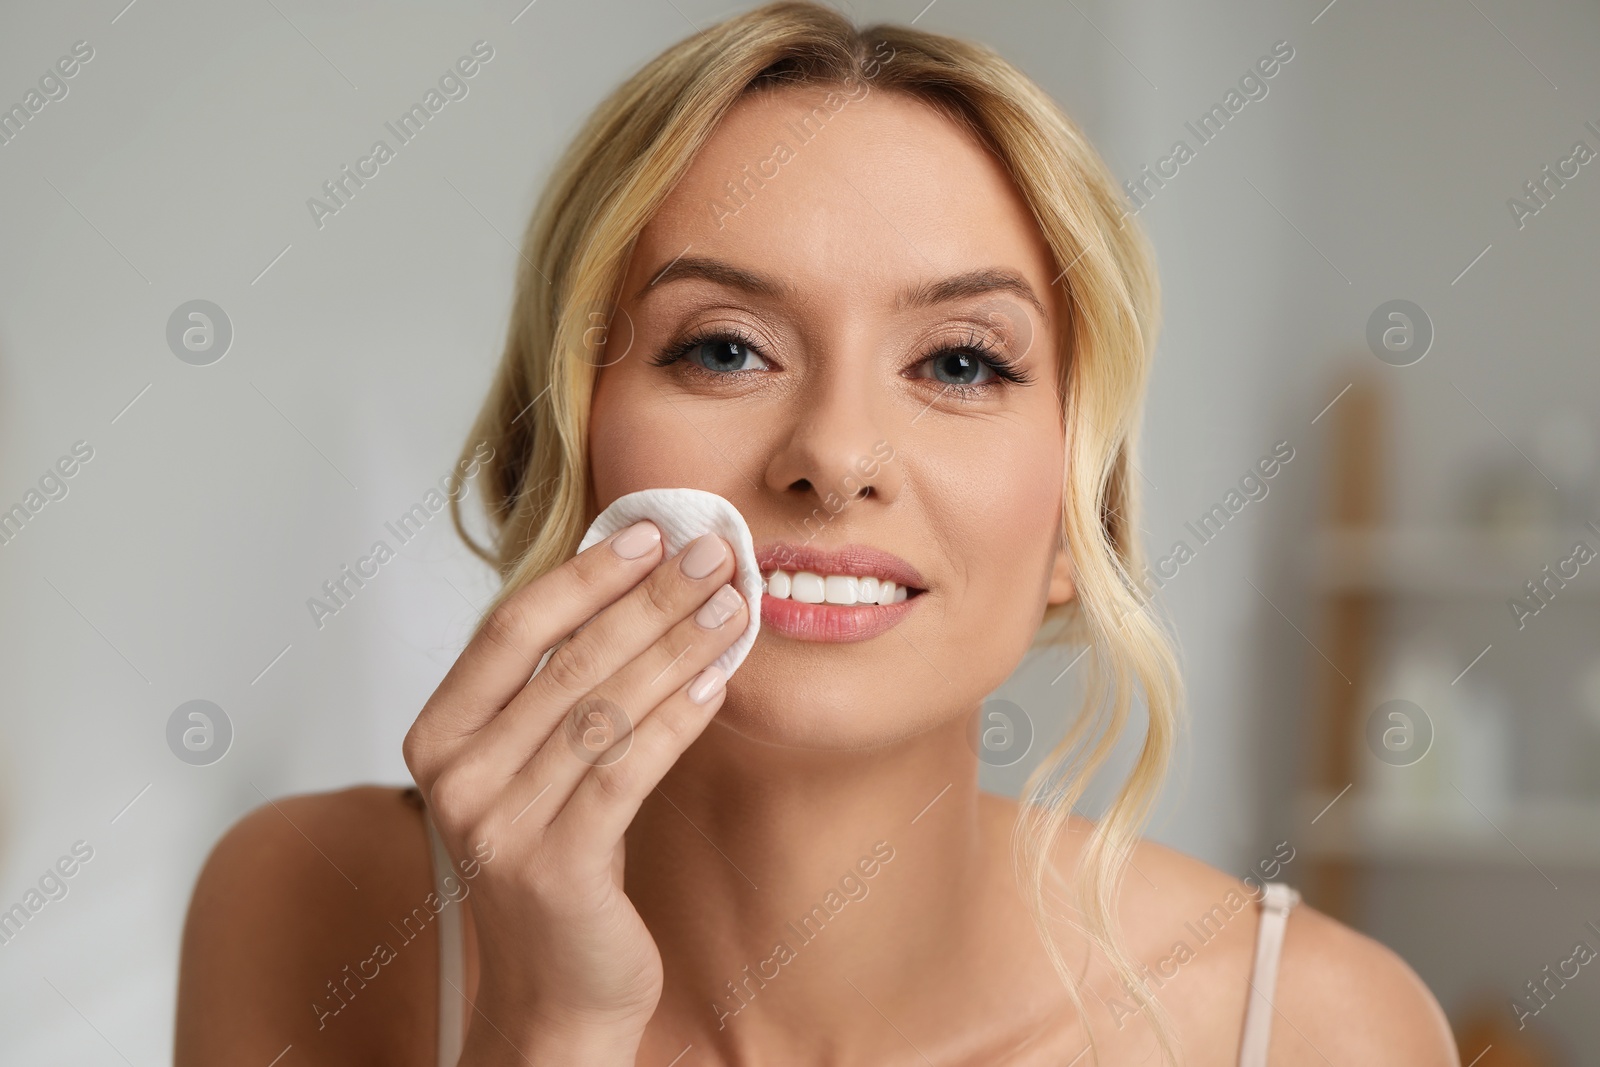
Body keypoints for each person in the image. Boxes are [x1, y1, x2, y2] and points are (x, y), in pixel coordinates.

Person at [175, 3, 1459, 1063]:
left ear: (1082, 518)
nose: (833, 458)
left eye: (960, 363)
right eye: (725, 347)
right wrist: (552, 1021)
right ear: (552, 455)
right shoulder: (309, 905)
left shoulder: (1312, 1025)